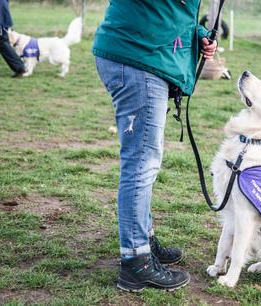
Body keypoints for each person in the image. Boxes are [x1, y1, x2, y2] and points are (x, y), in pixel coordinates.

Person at [92, 1, 216, 292]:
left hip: (146, 54)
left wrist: (196, 34)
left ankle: (143, 239)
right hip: (138, 57)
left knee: (145, 159)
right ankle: (136, 262)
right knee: (141, 163)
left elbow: (170, 11)